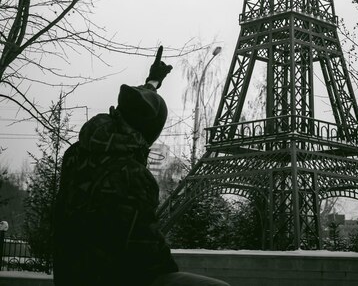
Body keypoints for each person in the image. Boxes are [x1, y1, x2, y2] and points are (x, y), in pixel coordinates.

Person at [53, 46, 230, 286]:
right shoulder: (132, 175)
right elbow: (146, 250)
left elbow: (130, 113)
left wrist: (152, 83)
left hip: (69, 274)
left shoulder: (77, 152)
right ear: (147, 134)